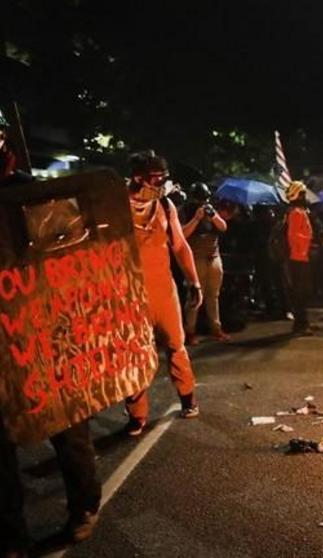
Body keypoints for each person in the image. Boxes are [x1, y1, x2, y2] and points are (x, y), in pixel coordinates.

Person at [0, 93, 101, 557]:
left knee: (68, 428)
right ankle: (9, 536)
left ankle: (84, 506)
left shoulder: (37, 194)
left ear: (3, 138)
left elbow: (69, 259)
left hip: (46, 334)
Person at [124, 151, 203, 436]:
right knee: (134, 354)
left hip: (163, 289)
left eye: (162, 178)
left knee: (176, 346)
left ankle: (188, 398)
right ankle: (137, 415)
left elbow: (180, 246)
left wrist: (194, 282)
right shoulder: (114, 205)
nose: (159, 183)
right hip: (128, 294)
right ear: (138, 177)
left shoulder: (164, 205)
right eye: (154, 178)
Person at [180, 182, 229, 343]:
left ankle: (216, 329)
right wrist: (196, 218)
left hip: (213, 257)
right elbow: (182, 234)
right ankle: (190, 332)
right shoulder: (186, 211)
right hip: (196, 257)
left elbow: (223, 227)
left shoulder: (210, 210)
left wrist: (213, 216)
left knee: (213, 296)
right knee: (195, 296)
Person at [284, 181, 314, 335]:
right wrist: (308, 242)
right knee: (300, 293)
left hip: (301, 256)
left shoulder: (298, 211)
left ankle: (303, 323)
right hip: (298, 258)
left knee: (301, 293)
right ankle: (300, 325)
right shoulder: (296, 212)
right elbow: (293, 236)